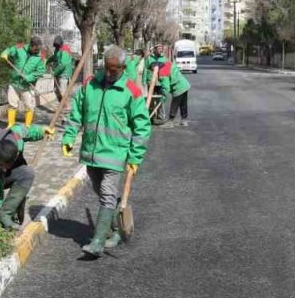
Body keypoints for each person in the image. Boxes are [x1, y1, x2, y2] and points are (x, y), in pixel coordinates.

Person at [61, 46, 152, 258]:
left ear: (123, 67)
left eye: (115, 70)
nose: (111, 73)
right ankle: (116, 228)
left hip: (115, 154)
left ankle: (97, 242)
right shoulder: (89, 85)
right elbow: (77, 113)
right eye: (108, 69)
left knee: (107, 196)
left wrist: (135, 156)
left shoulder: (131, 91)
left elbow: (142, 126)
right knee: (103, 194)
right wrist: (68, 137)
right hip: (91, 153)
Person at [0, 122, 51, 244]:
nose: (4, 168)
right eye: (0, 165)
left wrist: (42, 130)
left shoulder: (15, 137)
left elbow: (24, 130)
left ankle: (5, 214)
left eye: (7, 165)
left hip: (0, 176)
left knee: (27, 172)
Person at [2, 37, 46, 129]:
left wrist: (29, 77)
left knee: (29, 106)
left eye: (38, 49)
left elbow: (40, 71)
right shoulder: (20, 47)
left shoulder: (41, 57)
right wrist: (6, 52)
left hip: (27, 86)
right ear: (30, 45)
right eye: (35, 49)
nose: (37, 51)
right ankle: (10, 124)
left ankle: (28, 126)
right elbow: (11, 49)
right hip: (14, 83)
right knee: (12, 104)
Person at [159, 54, 192, 126]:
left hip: (178, 87)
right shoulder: (169, 64)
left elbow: (166, 86)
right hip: (185, 84)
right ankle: (184, 120)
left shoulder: (162, 71)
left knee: (175, 104)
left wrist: (163, 97)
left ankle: (170, 121)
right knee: (183, 103)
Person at [49, 36, 75, 104]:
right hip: (58, 73)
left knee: (62, 93)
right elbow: (55, 57)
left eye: (57, 46)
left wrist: (54, 72)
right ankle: (61, 105)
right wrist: (48, 61)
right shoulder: (57, 50)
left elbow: (63, 65)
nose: (56, 47)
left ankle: (66, 107)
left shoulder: (65, 51)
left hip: (64, 74)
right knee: (57, 91)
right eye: (55, 46)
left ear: (61, 44)